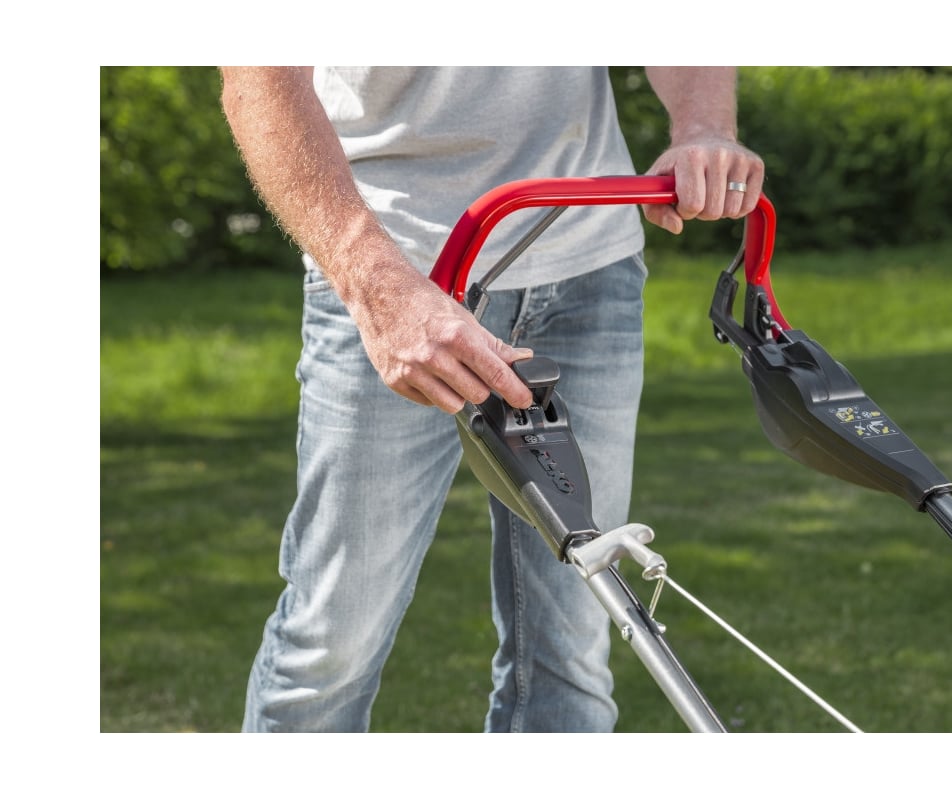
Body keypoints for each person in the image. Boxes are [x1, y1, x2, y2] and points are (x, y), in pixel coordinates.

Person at [219, 66, 765, 732]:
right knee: (332, 643)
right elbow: (260, 80)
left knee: (575, 645)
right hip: (400, 268)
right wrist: (378, 290)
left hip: (589, 261)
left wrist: (705, 127)